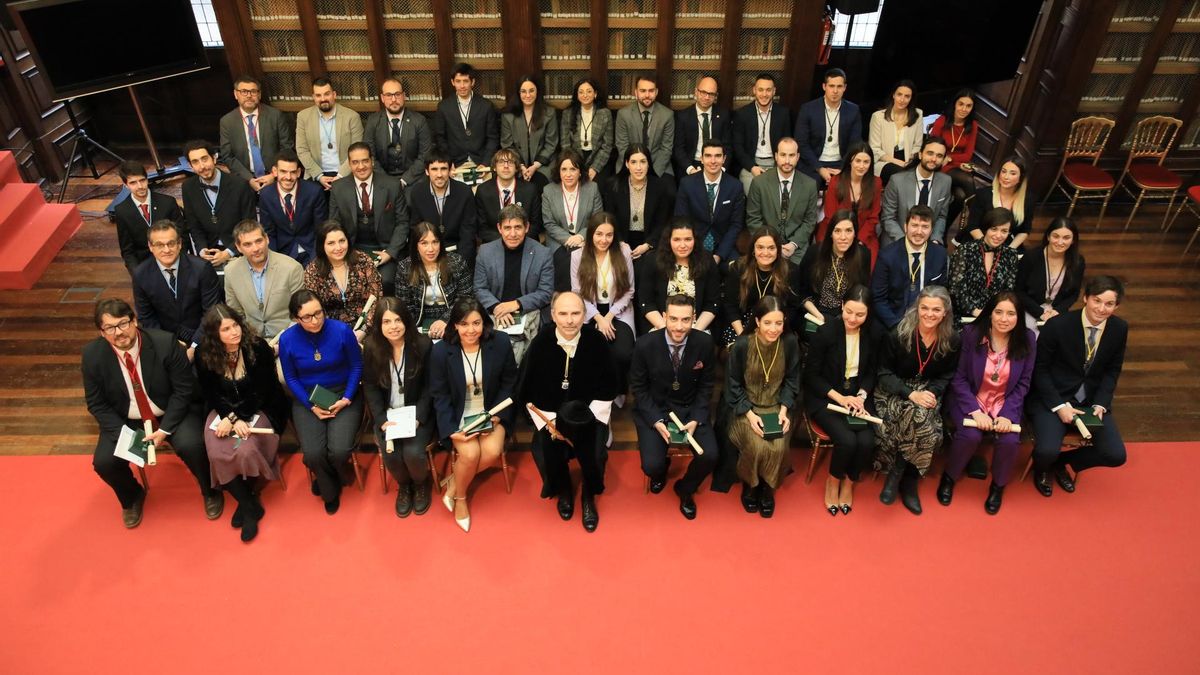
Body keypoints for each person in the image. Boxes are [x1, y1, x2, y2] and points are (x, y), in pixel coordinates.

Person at [82, 298, 221, 528]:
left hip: (170, 412)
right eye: (109, 328)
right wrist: (126, 434)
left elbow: (183, 389)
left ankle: (210, 491)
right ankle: (132, 497)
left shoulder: (164, 343)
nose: (118, 333)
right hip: (127, 420)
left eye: (123, 324)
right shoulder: (92, 356)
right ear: (101, 331)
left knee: (192, 445)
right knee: (104, 462)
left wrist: (165, 429)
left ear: (134, 321)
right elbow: (96, 404)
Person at [518, 292, 618, 531]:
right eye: (563, 314)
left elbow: (608, 387)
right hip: (551, 418)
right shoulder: (541, 342)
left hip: (588, 418)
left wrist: (589, 421)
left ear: (585, 315)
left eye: (575, 313)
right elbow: (528, 387)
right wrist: (550, 423)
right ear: (553, 315)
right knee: (543, 451)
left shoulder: (596, 341)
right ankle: (564, 489)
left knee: (595, 454)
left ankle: (587, 496)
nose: (570, 320)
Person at [193, 304, 288, 541]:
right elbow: (210, 392)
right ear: (215, 334)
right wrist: (227, 417)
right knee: (216, 452)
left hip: (260, 406)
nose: (234, 332)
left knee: (244, 449)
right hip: (222, 410)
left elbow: (263, 391)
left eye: (235, 325)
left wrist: (237, 418)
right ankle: (248, 504)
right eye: (226, 329)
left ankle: (246, 502)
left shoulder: (258, 347)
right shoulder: (203, 354)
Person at [1027, 275, 1128, 497]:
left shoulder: (1119, 329)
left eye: (1109, 304)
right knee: (1046, 450)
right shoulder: (1058, 325)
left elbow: (1113, 369)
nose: (1102, 309)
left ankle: (1061, 463)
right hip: (1053, 397)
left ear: (1116, 306)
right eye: (1097, 301)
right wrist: (1058, 406)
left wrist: (1101, 403)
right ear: (1085, 298)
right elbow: (1040, 370)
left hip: (1090, 401)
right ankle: (1042, 468)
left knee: (1116, 455)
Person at [428, 298, 519, 532]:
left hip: (491, 412)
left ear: (484, 323)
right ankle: (461, 499)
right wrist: (451, 431)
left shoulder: (499, 342)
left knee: (491, 452)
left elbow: (510, 381)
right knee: (469, 455)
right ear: (454, 326)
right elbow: (440, 396)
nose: (471, 330)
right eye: (464, 324)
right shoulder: (440, 351)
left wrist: (498, 414)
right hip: (460, 414)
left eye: (476, 323)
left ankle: (453, 485)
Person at [941, 291, 1035, 515]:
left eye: (1011, 314)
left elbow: (1023, 383)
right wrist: (974, 411)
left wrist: (1008, 415)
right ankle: (949, 477)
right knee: (969, 435)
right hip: (970, 398)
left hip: (1005, 402)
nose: (1004, 319)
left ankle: (998, 486)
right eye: (999, 312)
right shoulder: (972, 333)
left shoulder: (1028, 339)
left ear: (1019, 317)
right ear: (990, 313)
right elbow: (959, 378)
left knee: (1010, 440)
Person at [629, 295, 719, 519]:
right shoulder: (644, 344)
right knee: (651, 466)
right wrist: (656, 421)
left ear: (694, 319)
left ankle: (685, 489)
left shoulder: (705, 343)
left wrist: (697, 418)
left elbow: (707, 385)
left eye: (686, 320)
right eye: (674, 319)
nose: (679, 327)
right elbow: (638, 388)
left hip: (691, 409)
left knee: (710, 456)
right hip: (656, 409)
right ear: (664, 317)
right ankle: (662, 470)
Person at [874, 285, 960, 515]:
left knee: (920, 415)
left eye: (936, 309)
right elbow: (883, 373)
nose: (929, 314)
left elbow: (947, 374)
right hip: (895, 392)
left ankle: (899, 473)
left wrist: (931, 392)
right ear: (916, 308)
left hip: (929, 391)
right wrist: (910, 394)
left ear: (945, 313)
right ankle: (909, 480)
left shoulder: (952, 339)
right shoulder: (898, 334)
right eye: (924, 308)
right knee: (923, 422)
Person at [278, 290, 364, 514]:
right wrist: (310, 406)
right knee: (314, 453)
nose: (315, 320)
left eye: (318, 313)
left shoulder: (342, 331)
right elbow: (291, 378)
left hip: (343, 393)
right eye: (307, 317)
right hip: (308, 397)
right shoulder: (287, 339)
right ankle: (330, 489)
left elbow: (356, 366)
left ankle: (330, 475)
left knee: (339, 450)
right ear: (296, 318)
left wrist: (346, 398)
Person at [804, 285, 881, 516]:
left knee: (866, 441)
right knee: (847, 440)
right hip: (827, 396)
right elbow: (811, 376)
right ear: (841, 306)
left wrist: (861, 396)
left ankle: (850, 481)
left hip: (857, 397)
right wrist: (840, 398)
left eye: (860, 314)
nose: (853, 318)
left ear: (868, 314)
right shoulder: (825, 332)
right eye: (849, 311)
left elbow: (872, 372)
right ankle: (833, 480)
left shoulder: (874, 333)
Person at [723, 296, 800, 518]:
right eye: (767, 323)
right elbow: (733, 386)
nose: (773, 329)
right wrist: (750, 414)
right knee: (757, 444)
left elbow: (793, 381)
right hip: (746, 408)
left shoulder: (790, 343)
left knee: (778, 446)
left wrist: (784, 411)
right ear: (757, 321)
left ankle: (768, 489)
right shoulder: (742, 344)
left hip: (777, 406)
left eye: (778, 323)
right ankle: (751, 486)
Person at [361, 298, 435, 517]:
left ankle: (421, 484)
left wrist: (419, 417)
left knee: (413, 453)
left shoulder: (423, 345)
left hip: (417, 413)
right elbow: (371, 387)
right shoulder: (372, 348)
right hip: (388, 414)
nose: (393, 326)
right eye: (386, 322)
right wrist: (381, 419)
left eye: (397, 320)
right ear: (379, 325)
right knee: (391, 455)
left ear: (406, 321)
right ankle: (404, 485)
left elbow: (430, 387)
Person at [473, 203, 554, 363]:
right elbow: (479, 288)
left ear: (527, 227)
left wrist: (516, 304)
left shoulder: (543, 253)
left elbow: (546, 292)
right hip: (494, 313)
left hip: (528, 313)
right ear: (499, 228)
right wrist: (497, 307)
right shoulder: (485, 252)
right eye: (507, 228)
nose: (513, 233)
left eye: (518, 227)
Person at [131, 221, 223, 358]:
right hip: (165, 342)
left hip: (203, 338)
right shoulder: (140, 274)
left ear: (179, 244)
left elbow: (212, 311)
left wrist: (194, 346)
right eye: (159, 245)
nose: (166, 250)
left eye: (171, 243)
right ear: (150, 247)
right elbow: (147, 318)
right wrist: (169, 344)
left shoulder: (202, 268)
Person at [329, 142, 408, 294]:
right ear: (350, 164)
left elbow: (403, 223)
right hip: (352, 250)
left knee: (385, 281)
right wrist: (343, 252)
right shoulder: (338, 188)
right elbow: (334, 225)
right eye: (355, 162)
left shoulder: (392, 185)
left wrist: (390, 252)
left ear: (372, 161)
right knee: (352, 283)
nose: (361, 166)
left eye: (365, 161)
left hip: (384, 250)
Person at [569, 212, 636, 391]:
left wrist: (609, 316)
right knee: (588, 352)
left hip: (619, 311)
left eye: (609, 234)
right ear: (591, 233)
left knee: (622, 354)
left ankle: (617, 392)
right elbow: (578, 293)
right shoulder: (578, 256)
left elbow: (629, 290)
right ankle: (594, 392)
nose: (604, 239)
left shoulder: (624, 251)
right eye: (599, 234)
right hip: (589, 312)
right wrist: (599, 318)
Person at [223, 220, 305, 339]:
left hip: (289, 338)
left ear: (267, 239)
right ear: (238, 247)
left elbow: (300, 312)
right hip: (252, 340)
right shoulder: (231, 271)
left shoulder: (292, 268)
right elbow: (236, 314)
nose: (255, 248)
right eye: (247, 244)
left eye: (258, 241)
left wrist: (282, 342)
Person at [870, 205, 949, 329]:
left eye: (925, 227)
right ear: (906, 227)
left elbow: (941, 294)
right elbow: (878, 298)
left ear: (931, 230)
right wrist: (896, 326)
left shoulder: (940, 255)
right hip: (895, 321)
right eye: (915, 225)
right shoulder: (887, 256)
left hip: (929, 320)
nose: (919, 232)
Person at [303, 220, 383, 340]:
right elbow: (314, 308)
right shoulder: (313, 270)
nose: (338, 247)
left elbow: (377, 298)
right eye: (331, 243)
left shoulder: (363, 261)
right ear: (322, 245)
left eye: (342, 241)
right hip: (329, 330)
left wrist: (364, 330)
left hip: (366, 326)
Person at [181, 140, 256, 268]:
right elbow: (193, 225)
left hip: (238, 250)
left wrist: (229, 252)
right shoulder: (188, 187)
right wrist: (202, 249)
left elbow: (249, 225)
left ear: (214, 158)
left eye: (204, 159)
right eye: (195, 162)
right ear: (190, 165)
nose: (202, 166)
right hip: (209, 252)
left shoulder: (239, 185)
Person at [745, 137, 820, 265]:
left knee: (798, 277)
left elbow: (810, 220)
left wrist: (793, 244)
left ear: (798, 157)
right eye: (783, 155)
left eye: (791, 155)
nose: (787, 160)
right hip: (766, 248)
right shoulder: (759, 183)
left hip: (797, 249)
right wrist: (772, 246)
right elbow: (753, 219)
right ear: (776, 156)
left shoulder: (810, 185)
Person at [637, 218, 719, 333]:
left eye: (688, 239)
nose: (682, 245)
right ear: (668, 240)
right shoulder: (653, 260)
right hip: (661, 325)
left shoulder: (707, 260)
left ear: (695, 240)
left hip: (696, 326)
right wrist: (665, 330)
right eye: (676, 239)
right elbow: (646, 301)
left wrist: (695, 331)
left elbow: (712, 303)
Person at [720, 227, 798, 348]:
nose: (765, 253)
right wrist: (743, 336)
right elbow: (730, 306)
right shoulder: (738, 268)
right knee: (741, 351)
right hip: (743, 323)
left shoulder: (790, 271)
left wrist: (775, 330)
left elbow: (792, 309)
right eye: (760, 247)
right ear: (753, 249)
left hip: (776, 326)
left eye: (771, 248)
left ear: (778, 250)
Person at [395, 221, 473, 340]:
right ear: (416, 245)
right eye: (424, 243)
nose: (431, 249)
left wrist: (446, 320)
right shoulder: (405, 267)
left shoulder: (457, 262)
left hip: (455, 317)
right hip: (419, 320)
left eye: (435, 242)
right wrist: (415, 330)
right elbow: (405, 305)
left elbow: (465, 298)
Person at [674, 139, 745, 266]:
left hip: (724, 246)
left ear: (724, 159)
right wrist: (695, 250)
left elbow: (736, 225)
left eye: (717, 156)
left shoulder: (735, 186)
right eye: (708, 156)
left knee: (737, 269)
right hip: (694, 246)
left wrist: (719, 255)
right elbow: (681, 220)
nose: (713, 161)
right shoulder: (687, 184)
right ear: (701, 159)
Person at [219, 74, 293, 192]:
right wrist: (249, 179)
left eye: (253, 91)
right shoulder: (227, 122)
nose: (249, 96)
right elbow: (227, 156)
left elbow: (287, 148)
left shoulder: (275, 116)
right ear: (235, 94)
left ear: (259, 94)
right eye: (244, 91)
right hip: (245, 179)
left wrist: (274, 174)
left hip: (275, 176)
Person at [797, 210, 872, 324]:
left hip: (847, 315)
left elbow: (861, 291)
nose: (843, 237)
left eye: (848, 231)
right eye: (837, 231)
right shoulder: (815, 252)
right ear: (831, 234)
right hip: (815, 311)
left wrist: (847, 316)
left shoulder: (863, 255)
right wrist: (818, 316)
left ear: (855, 233)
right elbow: (801, 291)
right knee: (818, 334)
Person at [257, 148, 328, 267]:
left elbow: (321, 230)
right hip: (282, 254)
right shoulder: (266, 195)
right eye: (283, 171)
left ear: (299, 172)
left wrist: (316, 261)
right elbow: (269, 233)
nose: (288, 177)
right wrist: (275, 263)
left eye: (293, 172)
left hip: (311, 251)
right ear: (275, 171)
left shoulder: (314, 192)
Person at [1015, 217, 1086, 334]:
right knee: (1030, 339)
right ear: (1048, 236)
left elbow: (1074, 294)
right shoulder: (1031, 257)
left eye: (1066, 238)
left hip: (1057, 312)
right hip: (1030, 309)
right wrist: (1040, 313)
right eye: (1056, 236)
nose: (1060, 242)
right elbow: (1019, 291)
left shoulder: (1078, 262)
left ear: (1073, 240)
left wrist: (1057, 311)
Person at [406, 151, 479, 264]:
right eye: (434, 169)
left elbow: (468, 233)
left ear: (450, 170)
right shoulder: (417, 192)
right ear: (427, 171)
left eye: (443, 169)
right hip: (428, 253)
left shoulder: (464, 192)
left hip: (457, 252)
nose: (439, 174)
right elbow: (416, 230)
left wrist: (459, 262)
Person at [602, 143, 671, 261]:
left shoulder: (661, 187)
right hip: (620, 242)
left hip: (650, 244)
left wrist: (648, 245)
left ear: (649, 164)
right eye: (633, 162)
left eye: (643, 162)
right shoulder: (613, 186)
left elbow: (662, 223)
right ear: (626, 164)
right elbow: (610, 219)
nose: (638, 167)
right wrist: (621, 243)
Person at [949, 207, 1020, 321]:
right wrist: (975, 311)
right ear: (986, 228)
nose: (998, 235)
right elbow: (955, 289)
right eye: (994, 229)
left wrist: (995, 313)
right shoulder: (964, 250)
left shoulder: (1011, 255)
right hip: (963, 315)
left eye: (1004, 231)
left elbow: (1008, 291)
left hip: (996, 317)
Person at [114, 161, 184, 275]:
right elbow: (127, 250)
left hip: (173, 259)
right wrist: (137, 274)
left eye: (142, 180)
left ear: (147, 180)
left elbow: (182, 235)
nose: (140, 186)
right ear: (126, 185)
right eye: (133, 183)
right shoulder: (122, 211)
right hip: (145, 265)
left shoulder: (168, 202)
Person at [795, 68, 863, 185]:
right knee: (810, 184)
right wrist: (819, 168)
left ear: (845, 88)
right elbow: (801, 143)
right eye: (831, 86)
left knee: (846, 185)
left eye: (839, 86)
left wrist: (842, 169)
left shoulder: (853, 110)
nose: (835, 91)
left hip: (840, 162)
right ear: (824, 86)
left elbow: (855, 143)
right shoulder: (808, 109)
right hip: (813, 162)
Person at [880, 136, 952, 246]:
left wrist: (935, 240)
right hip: (898, 238)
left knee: (943, 261)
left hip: (928, 240)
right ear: (920, 154)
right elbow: (888, 218)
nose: (933, 159)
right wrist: (905, 242)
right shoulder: (897, 181)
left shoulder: (945, 181)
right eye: (930, 153)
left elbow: (941, 217)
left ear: (943, 160)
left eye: (939, 156)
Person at [818, 142, 882, 263]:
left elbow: (873, 218)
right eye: (858, 161)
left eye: (866, 162)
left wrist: (859, 240)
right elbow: (831, 216)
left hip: (865, 235)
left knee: (867, 264)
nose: (862, 166)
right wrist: (844, 238)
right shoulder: (836, 182)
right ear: (850, 161)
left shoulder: (876, 183)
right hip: (835, 232)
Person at [362, 77, 432, 188]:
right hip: (381, 179)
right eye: (389, 95)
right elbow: (369, 155)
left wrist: (405, 180)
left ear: (404, 96)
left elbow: (425, 155)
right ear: (382, 98)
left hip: (413, 179)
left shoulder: (419, 120)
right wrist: (386, 180)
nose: (394, 99)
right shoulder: (373, 121)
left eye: (397, 94)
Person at [296, 77, 364, 190]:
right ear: (313, 97)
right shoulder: (303, 117)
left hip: (346, 173)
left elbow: (357, 152)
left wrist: (340, 175)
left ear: (334, 94)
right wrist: (319, 176)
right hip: (315, 174)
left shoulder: (352, 117)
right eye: (318, 95)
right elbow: (302, 150)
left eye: (326, 94)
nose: (323, 99)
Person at [732, 72, 793, 192]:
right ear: (754, 90)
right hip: (751, 164)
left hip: (777, 164)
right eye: (760, 90)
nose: (764, 94)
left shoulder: (783, 114)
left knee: (778, 194)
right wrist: (752, 167)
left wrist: (781, 166)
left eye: (768, 90)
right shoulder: (742, 114)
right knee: (753, 195)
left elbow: (788, 143)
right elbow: (737, 147)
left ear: (774, 91)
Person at [614, 73, 675, 186]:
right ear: (636, 92)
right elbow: (622, 146)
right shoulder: (623, 114)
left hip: (658, 164)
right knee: (618, 189)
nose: (647, 95)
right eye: (643, 91)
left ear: (656, 92)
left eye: (651, 91)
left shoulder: (667, 115)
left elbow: (666, 148)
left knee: (669, 191)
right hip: (629, 165)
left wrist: (651, 171)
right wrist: (636, 168)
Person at [434, 62, 499, 167]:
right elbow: (440, 139)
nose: (462, 86)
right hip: (455, 163)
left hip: (481, 162)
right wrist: (448, 163)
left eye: (466, 81)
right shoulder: (443, 107)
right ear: (452, 82)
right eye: (458, 81)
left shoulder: (486, 106)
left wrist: (485, 163)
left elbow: (492, 138)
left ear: (472, 82)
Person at [929, 89, 979, 224]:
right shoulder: (942, 121)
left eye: (968, 106)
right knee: (968, 181)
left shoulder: (973, 126)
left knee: (961, 196)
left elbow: (967, 155)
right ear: (954, 104)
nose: (964, 109)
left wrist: (950, 159)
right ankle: (977, 219)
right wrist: (947, 159)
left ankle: (943, 230)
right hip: (938, 165)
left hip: (954, 166)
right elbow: (932, 148)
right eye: (961, 104)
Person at [542, 149, 605, 255]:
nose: (568, 174)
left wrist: (580, 237)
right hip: (558, 242)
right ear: (559, 171)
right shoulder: (548, 190)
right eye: (564, 169)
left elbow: (597, 220)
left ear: (580, 172)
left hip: (585, 240)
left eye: (573, 169)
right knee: (565, 263)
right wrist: (570, 240)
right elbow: (549, 223)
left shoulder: (592, 188)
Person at [500, 74, 559, 186]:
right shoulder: (508, 115)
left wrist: (535, 166)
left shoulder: (549, 113)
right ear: (518, 93)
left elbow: (551, 144)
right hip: (516, 164)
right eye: (523, 91)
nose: (528, 95)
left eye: (531, 91)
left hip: (543, 164)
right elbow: (507, 145)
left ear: (537, 92)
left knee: (539, 183)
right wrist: (521, 166)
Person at [475, 148, 543, 244]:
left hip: (525, 242)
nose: (506, 166)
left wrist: (517, 240)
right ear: (494, 167)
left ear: (516, 168)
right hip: (495, 243)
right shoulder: (483, 191)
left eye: (510, 162)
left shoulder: (530, 190)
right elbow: (482, 228)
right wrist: (506, 241)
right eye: (501, 162)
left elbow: (536, 224)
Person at [966, 156, 1034, 248]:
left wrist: (1009, 249)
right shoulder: (983, 194)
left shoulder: (1028, 199)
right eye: (1003, 171)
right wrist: (987, 247)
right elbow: (973, 226)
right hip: (980, 242)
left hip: (1010, 244)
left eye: (1012, 173)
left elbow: (1025, 230)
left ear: (1020, 178)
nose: (1006, 177)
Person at [673, 75, 732, 178]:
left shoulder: (723, 116)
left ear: (716, 96)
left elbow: (728, 147)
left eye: (711, 94)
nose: (707, 97)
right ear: (696, 92)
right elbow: (678, 149)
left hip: (716, 163)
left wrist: (721, 169)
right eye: (703, 92)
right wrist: (690, 169)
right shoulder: (683, 116)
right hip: (692, 163)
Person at [559, 77, 615, 181]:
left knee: (598, 184)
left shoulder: (604, 114)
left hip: (597, 156)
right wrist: (575, 165)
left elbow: (607, 146)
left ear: (595, 94)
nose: (585, 95)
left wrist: (595, 168)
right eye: (581, 92)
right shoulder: (568, 113)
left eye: (589, 91)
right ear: (577, 95)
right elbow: (565, 144)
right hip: (575, 156)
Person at [868, 80, 923, 184]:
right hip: (884, 161)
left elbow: (917, 145)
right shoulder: (878, 117)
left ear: (911, 98)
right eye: (899, 94)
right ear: (893, 95)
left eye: (907, 96)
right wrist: (899, 163)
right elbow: (874, 149)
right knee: (904, 177)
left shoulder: (917, 114)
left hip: (909, 161)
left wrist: (910, 162)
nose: (902, 99)